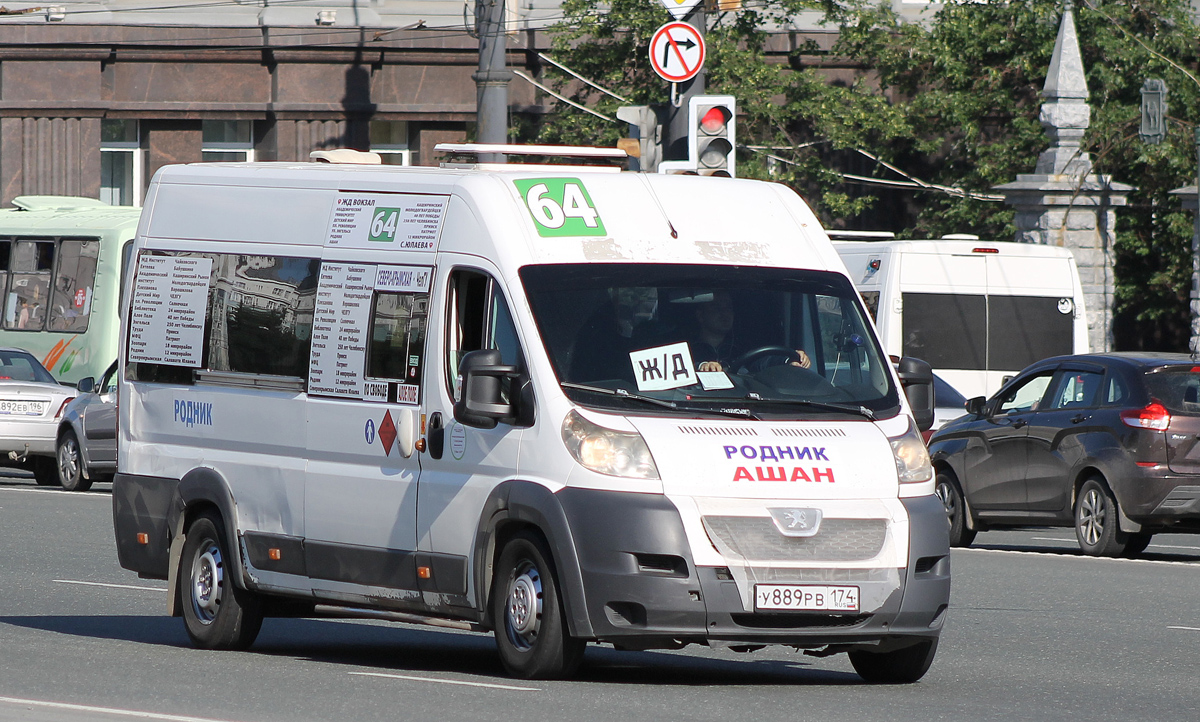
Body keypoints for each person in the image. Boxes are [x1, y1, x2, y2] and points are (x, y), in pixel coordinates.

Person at [688, 291, 811, 372]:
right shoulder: (687, 348)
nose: (724, 313)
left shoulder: (741, 347)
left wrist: (788, 360)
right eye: (717, 307)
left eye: (728, 307)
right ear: (700, 316)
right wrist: (701, 366)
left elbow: (761, 362)